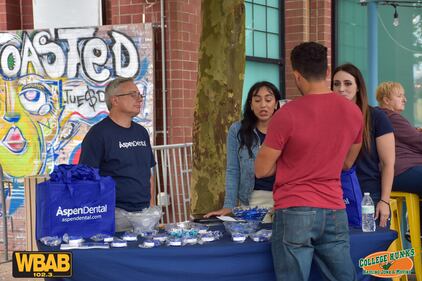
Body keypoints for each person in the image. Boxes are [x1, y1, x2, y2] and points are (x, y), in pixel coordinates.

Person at [255, 42, 362, 281]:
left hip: (295, 208)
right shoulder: (354, 113)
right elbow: (347, 163)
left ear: (297, 75)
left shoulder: (286, 114)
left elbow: (261, 170)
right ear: (327, 72)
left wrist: (290, 160)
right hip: (335, 207)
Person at [79, 77, 156, 232]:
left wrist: (151, 207)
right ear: (115, 100)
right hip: (114, 215)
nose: (139, 99)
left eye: (139, 95)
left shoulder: (141, 132)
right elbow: (86, 178)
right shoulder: (98, 134)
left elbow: (149, 173)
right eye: (133, 95)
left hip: (144, 214)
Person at [204, 81, 281, 219]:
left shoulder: (286, 129)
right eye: (257, 100)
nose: (263, 105)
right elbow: (233, 170)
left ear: (276, 104)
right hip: (250, 201)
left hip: (281, 200)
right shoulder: (237, 130)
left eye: (268, 99)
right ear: (251, 105)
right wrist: (229, 206)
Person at [332, 64, 395, 228]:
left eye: (347, 83)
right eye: (336, 84)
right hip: (334, 195)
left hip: (368, 197)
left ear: (358, 87)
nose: (341, 89)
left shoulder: (376, 117)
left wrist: (384, 200)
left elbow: (388, 164)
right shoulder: (327, 118)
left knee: (371, 252)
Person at [376, 81, 422, 226]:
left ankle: (414, 228)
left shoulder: (382, 116)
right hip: (401, 171)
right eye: (399, 96)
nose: (405, 99)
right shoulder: (391, 117)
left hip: (399, 171)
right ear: (387, 100)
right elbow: (418, 141)